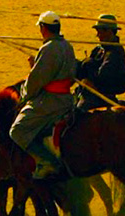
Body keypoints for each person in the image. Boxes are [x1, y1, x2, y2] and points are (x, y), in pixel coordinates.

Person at [10, 11, 78, 179]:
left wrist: (23, 96)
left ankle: (48, 162)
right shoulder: (67, 46)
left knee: (17, 130)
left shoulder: (47, 49)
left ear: (43, 28)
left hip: (49, 102)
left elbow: (35, 81)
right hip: (67, 100)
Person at [76, 13, 125, 110]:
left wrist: (89, 80)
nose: (98, 35)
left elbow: (104, 75)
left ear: (109, 31)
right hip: (90, 94)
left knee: (77, 113)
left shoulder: (115, 52)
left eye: (100, 32)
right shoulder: (99, 49)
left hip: (99, 98)